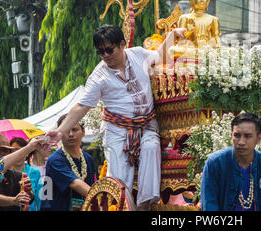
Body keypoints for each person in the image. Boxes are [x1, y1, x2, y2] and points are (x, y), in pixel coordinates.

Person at [45, 24, 186, 210]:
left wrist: (172, 35)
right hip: (118, 132)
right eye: (100, 52)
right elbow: (81, 106)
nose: (105, 55)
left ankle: (146, 205)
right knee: (120, 182)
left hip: (147, 126)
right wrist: (59, 132)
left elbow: (160, 55)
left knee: (152, 146)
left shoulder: (138, 54)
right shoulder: (99, 76)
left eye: (109, 50)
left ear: (122, 44)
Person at [200, 112, 261, 211]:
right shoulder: (215, 163)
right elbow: (209, 206)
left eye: (247, 136)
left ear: (259, 138)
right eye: (237, 135)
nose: (241, 142)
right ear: (231, 135)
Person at [0, 136, 44, 211]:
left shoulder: (19, 175)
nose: (2, 153)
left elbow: (27, 200)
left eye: (6, 150)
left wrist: (28, 192)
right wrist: (14, 201)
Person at [41, 115, 96, 211]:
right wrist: (100, 196)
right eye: (66, 131)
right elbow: (75, 183)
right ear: (60, 134)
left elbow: (92, 185)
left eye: (74, 129)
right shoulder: (55, 160)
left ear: (83, 132)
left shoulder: (88, 159)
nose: (70, 134)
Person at [9, 137, 43, 211]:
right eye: (14, 152)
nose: (18, 155)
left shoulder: (35, 172)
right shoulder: (5, 172)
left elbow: (40, 199)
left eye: (21, 151)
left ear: (27, 153)